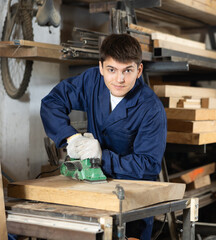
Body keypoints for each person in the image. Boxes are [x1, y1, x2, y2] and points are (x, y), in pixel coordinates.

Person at [40, 33, 167, 239]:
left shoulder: (151, 108)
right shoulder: (92, 81)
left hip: (132, 201)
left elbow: (148, 165)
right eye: (111, 70)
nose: (119, 79)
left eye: (128, 70)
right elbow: (52, 102)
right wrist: (72, 139)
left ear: (139, 70)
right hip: (92, 191)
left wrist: (101, 156)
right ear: (101, 68)